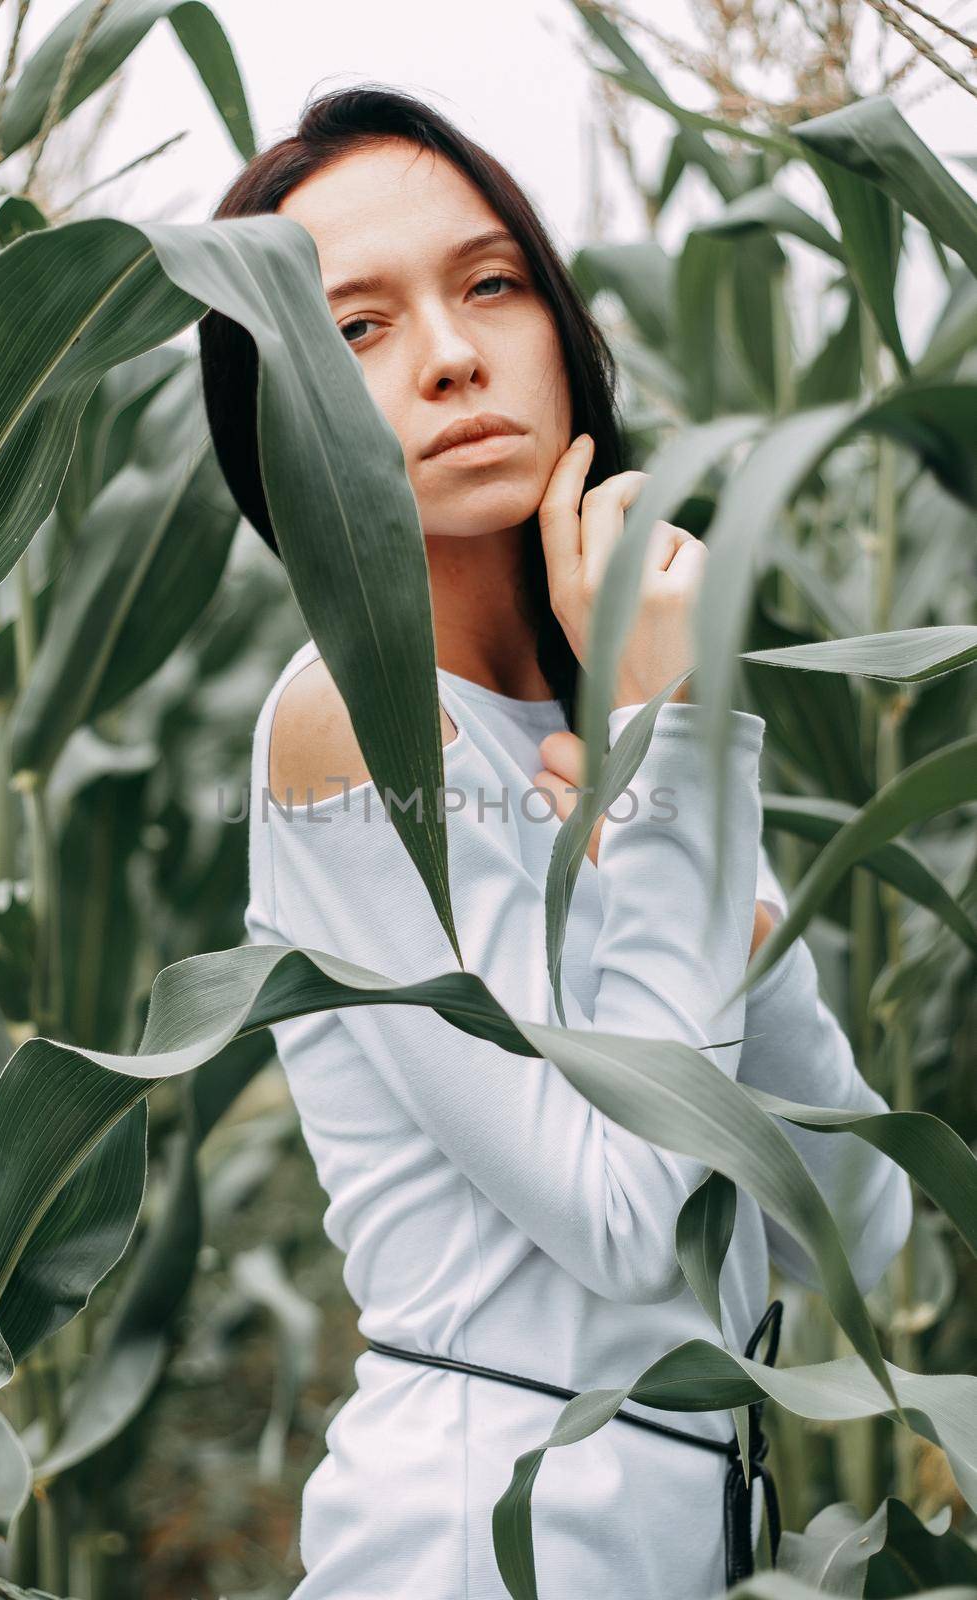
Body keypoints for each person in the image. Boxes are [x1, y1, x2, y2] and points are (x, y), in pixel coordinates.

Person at [198, 84, 912, 1600]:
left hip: (692, 1531)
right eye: (360, 329)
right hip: (483, 1537)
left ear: (558, 324)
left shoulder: (624, 699)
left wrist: (688, 799)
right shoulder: (351, 727)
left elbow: (855, 1229)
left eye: (490, 284)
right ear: (283, 417)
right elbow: (621, 1225)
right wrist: (686, 775)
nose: (454, 355)